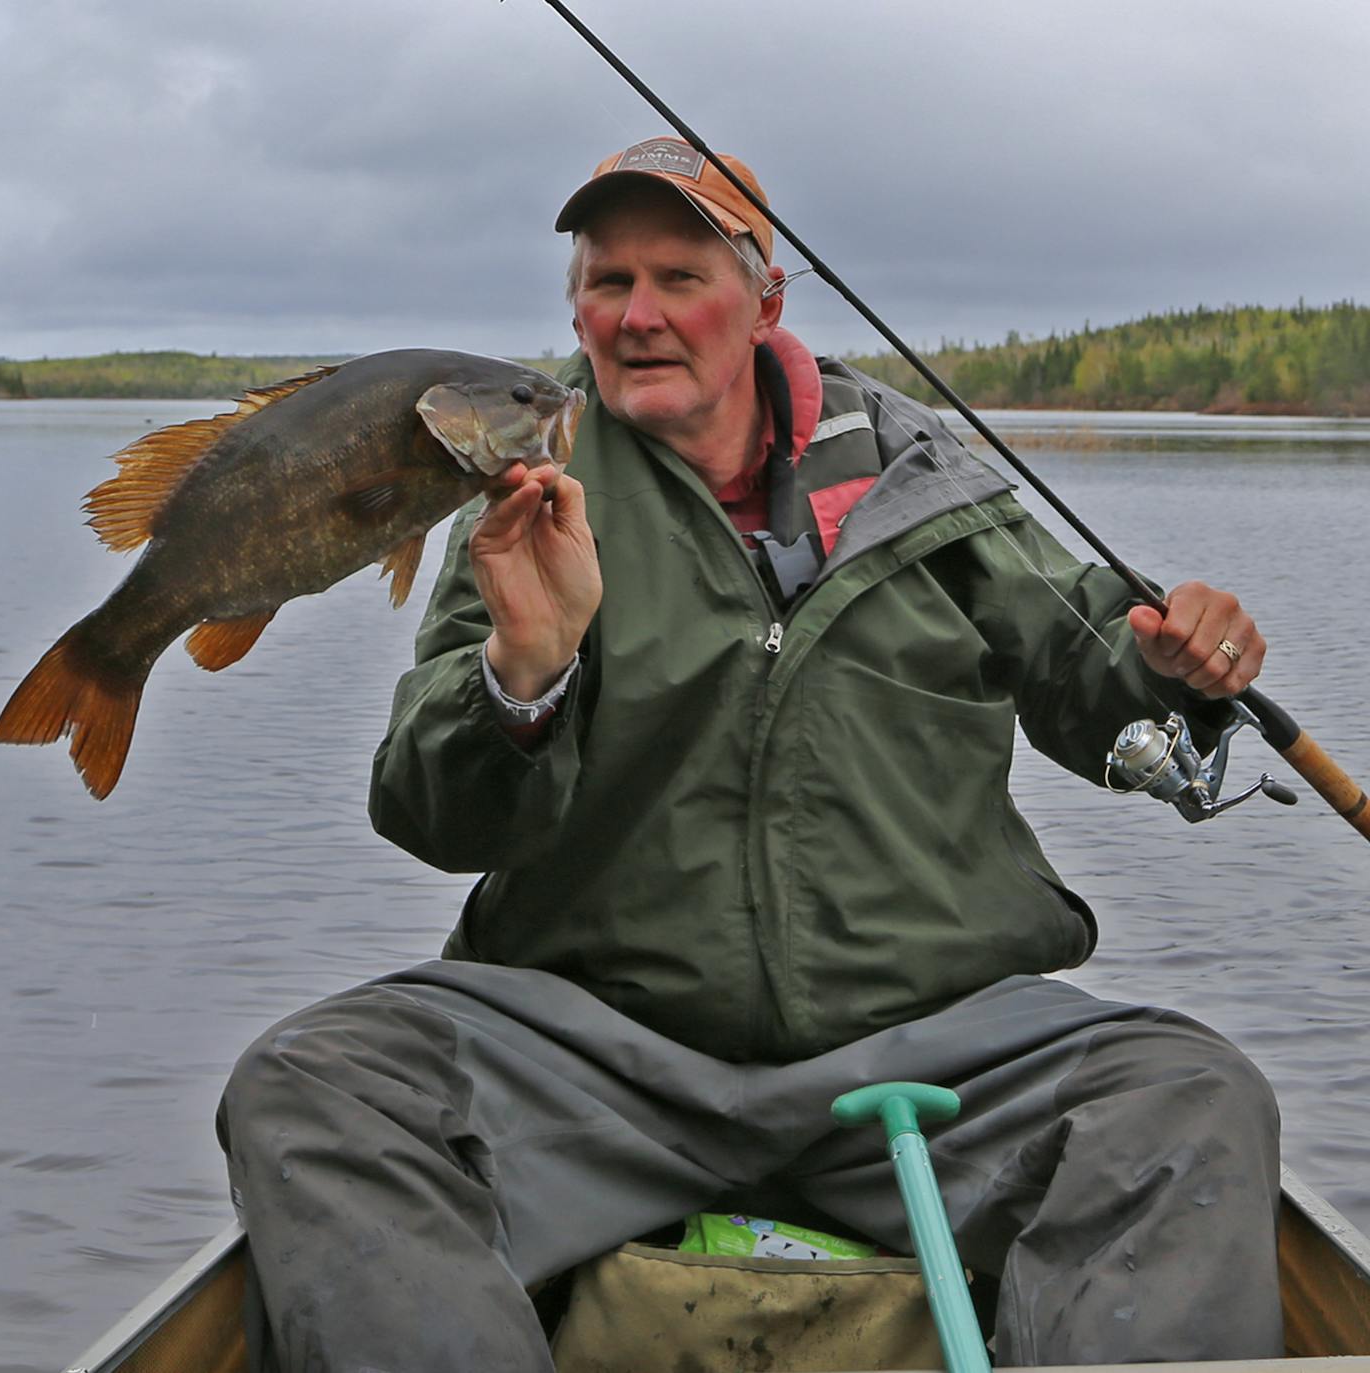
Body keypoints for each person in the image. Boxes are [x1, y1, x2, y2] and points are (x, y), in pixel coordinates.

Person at [218, 136, 1282, 1370]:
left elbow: (1091, 681)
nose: (637, 315)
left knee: (1191, 1097)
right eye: (606, 282)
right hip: (595, 1052)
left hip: (937, 1045)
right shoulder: (525, 490)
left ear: (764, 298)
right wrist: (524, 674)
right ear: (573, 306)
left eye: (679, 276)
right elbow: (427, 810)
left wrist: (1178, 667)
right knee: (313, 1082)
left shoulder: (921, 482)